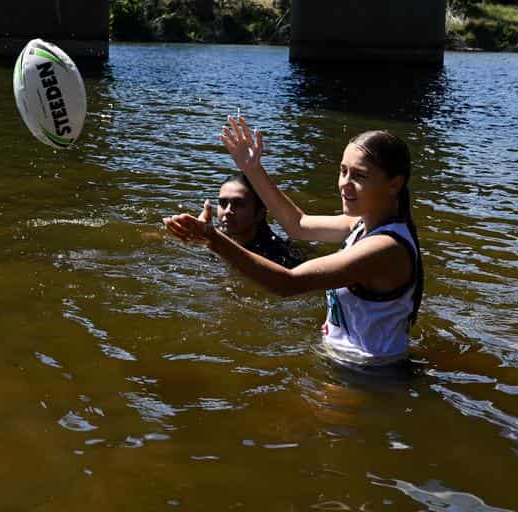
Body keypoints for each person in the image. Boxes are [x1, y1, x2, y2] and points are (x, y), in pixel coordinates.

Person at [165, 116, 424, 366]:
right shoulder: (361, 223)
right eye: (343, 171)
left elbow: (288, 283)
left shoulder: (385, 248)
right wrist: (252, 168)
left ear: (394, 184)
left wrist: (214, 239)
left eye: (359, 176)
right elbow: (296, 224)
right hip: (349, 363)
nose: (345, 184)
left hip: (370, 375)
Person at [213, 172, 303, 269]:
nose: (227, 211)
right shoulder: (214, 238)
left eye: (239, 204)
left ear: (260, 213)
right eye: (223, 203)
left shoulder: (279, 259)